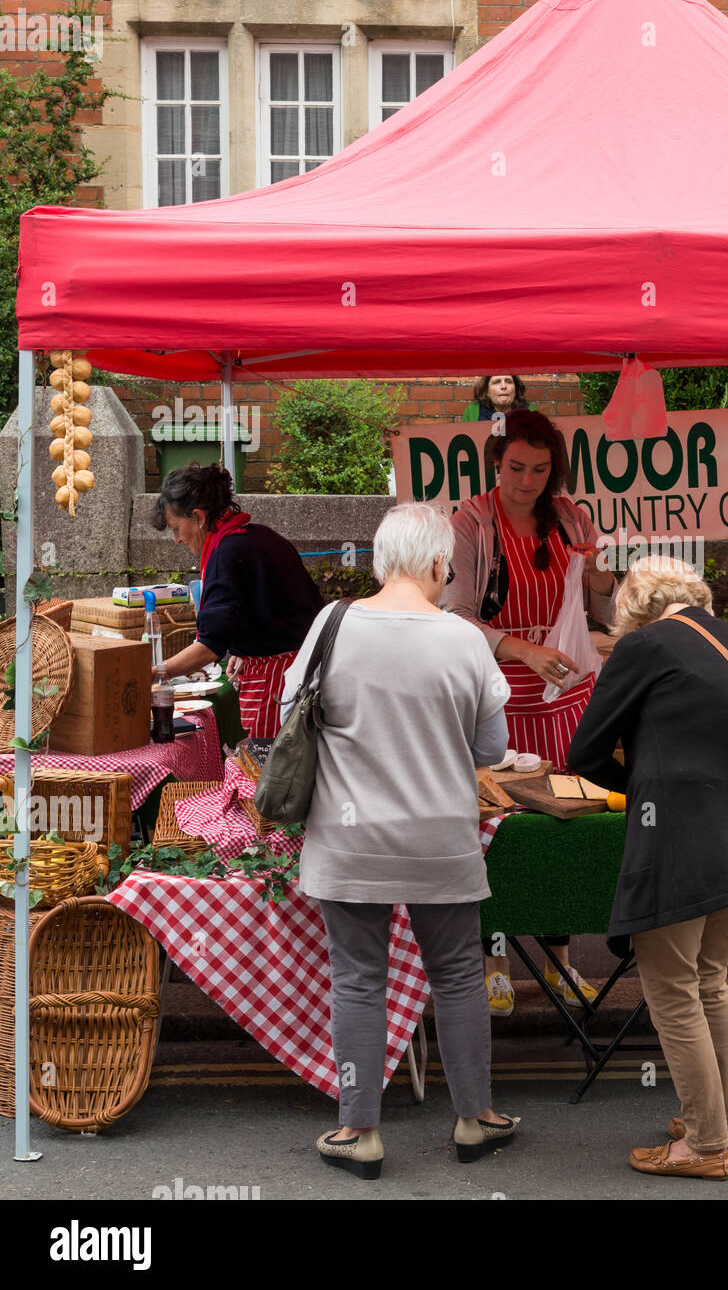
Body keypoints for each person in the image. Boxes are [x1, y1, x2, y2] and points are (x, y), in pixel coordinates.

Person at [282, 501, 520, 1179]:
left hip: (348, 840)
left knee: (358, 979)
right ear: (439, 564)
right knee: (458, 974)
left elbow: (289, 717)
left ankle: (359, 1131)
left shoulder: (331, 624)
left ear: (384, 560)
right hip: (440, 839)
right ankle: (476, 1117)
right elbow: (493, 747)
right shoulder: (462, 638)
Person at [566, 555, 728, 1182]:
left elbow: (585, 752)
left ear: (637, 607)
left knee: (672, 990)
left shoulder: (644, 646)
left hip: (675, 840)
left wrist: (644, 788)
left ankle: (703, 1146)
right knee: (708, 980)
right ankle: (718, 1123)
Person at [443, 409, 617, 1018]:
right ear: (496, 463)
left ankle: (561, 962)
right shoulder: (470, 521)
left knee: (565, 819)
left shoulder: (573, 517)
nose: (527, 480)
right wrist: (522, 650)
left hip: (563, 689)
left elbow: (604, 604)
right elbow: (455, 614)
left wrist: (600, 574)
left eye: (540, 469)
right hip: (497, 691)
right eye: (516, 467)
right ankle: (494, 964)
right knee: (500, 827)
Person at [151, 462, 322, 738]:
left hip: (277, 681)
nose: (177, 540)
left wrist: (156, 674)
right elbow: (265, 611)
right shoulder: (255, 537)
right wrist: (243, 650)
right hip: (299, 671)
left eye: (176, 528)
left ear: (198, 517)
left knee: (264, 772)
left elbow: (209, 646)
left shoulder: (228, 553)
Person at [461, 374, 531, 422]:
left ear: (515, 389)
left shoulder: (530, 411)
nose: (503, 386)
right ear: (486, 391)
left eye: (508, 381)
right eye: (496, 382)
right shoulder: (472, 410)